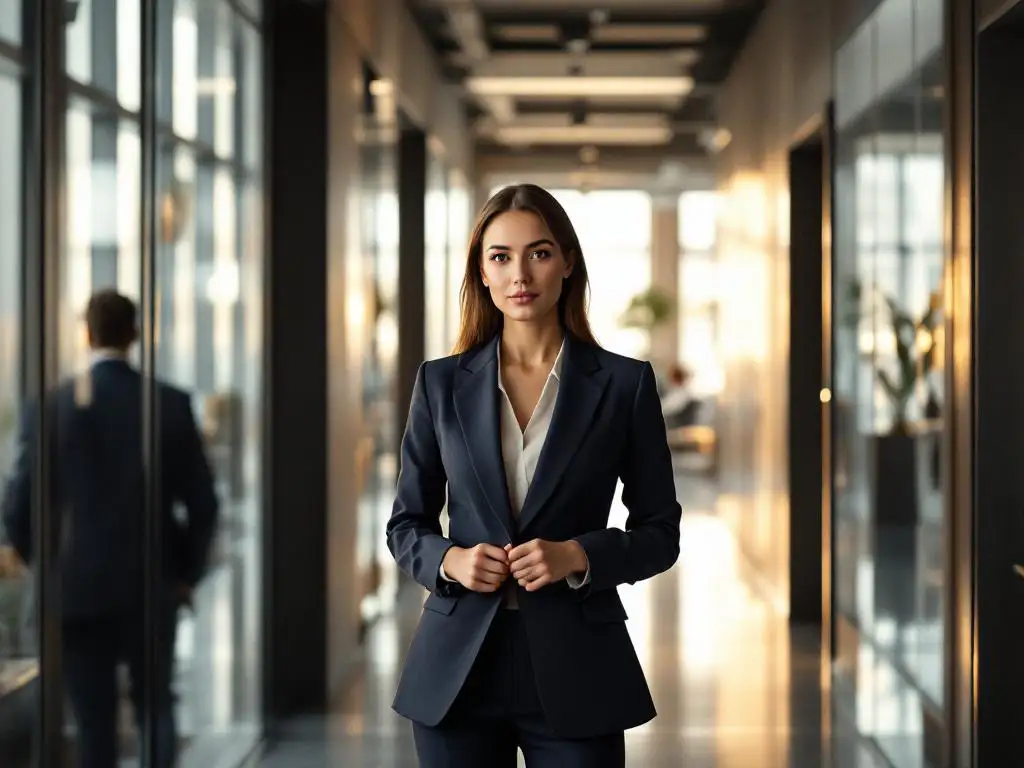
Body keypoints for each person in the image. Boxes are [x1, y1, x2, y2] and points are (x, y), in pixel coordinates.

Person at [386, 183, 682, 767]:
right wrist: (449, 560)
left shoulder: (625, 385)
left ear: (567, 262)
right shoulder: (440, 383)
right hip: (458, 669)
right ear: (483, 272)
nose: (520, 273)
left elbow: (660, 532)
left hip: (580, 667)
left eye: (539, 253)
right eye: (501, 256)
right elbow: (406, 523)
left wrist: (579, 555)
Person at [0, 290, 219, 768]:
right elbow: (203, 503)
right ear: (135, 334)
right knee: (156, 705)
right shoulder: (169, 404)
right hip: (152, 580)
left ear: (87, 334)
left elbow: (17, 507)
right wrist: (186, 573)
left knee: (93, 720)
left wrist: (48, 566)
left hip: (77, 588)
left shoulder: (49, 408)